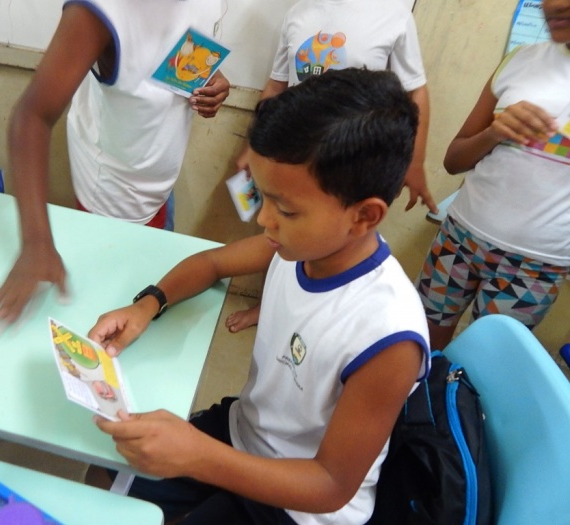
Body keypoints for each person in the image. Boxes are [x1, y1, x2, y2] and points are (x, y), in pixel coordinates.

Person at [89, 68, 430, 525]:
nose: (264, 220)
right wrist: (146, 305)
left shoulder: (389, 336)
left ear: (364, 216)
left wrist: (197, 456)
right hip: (245, 433)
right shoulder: (299, 246)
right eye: (262, 197)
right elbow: (212, 263)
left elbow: (331, 485)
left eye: (284, 209)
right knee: (107, 472)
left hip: (302, 504)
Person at [0, 0, 230, 324]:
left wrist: (211, 79)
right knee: (115, 313)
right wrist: (36, 243)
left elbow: (177, 48)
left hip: (159, 183)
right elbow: (31, 117)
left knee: (145, 303)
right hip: (113, 196)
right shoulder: (99, 13)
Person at [225, 0, 436, 333]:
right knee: (281, 232)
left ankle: (319, 317)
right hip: (292, 162)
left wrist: (416, 161)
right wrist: (253, 146)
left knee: (331, 238)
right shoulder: (298, 13)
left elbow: (416, 91)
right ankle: (270, 305)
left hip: (346, 165)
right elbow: (277, 86)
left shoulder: (394, 15)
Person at [415, 0, 570, 352]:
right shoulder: (520, 60)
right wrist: (495, 132)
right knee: (422, 349)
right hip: (459, 236)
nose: (555, 5)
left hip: (536, 263)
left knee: (482, 364)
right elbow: (454, 160)